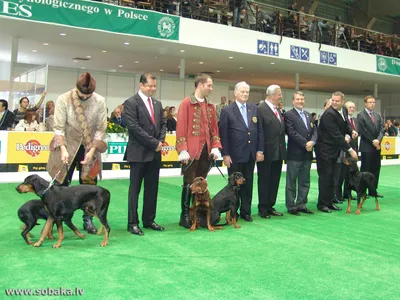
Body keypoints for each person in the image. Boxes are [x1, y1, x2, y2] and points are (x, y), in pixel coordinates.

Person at [47, 72, 108, 234]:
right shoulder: (63, 99)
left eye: (88, 95)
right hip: (67, 146)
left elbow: (101, 129)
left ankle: (87, 219)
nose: (85, 97)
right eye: (82, 94)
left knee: (89, 187)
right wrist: (63, 149)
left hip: (89, 148)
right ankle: (55, 219)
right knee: (60, 185)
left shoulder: (100, 101)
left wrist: (93, 150)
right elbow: (58, 128)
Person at [176, 73, 222, 228]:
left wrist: (216, 146)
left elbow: (214, 129)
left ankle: (199, 216)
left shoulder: (210, 106)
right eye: (209, 85)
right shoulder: (186, 103)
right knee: (189, 183)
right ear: (200, 85)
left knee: (201, 183)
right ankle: (184, 216)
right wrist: (183, 149)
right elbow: (181, 127)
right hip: (191, 151)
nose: (211, 88)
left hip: (206, 151)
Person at [124, 73, 167, 236]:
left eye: (154, 86)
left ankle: (149, 220)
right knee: (134, 190)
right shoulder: (130, 102)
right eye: (149, 86)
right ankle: (132, 222)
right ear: (141, 85)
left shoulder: (157, 103)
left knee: (152, 189)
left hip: (155, 154)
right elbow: (134, 128)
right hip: (138, 153)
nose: (152, 89)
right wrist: (154, 143)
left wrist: (160, 141)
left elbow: (163, 124)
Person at [219, 81, 264, 222]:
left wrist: (259, 150)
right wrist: (225, 154)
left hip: (250, 154)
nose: (245, 94)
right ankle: (233, 212)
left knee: (248, 183)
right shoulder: (227, 110)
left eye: (247, 92)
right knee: (233, 187)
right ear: (235, 93)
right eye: (242, 92)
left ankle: (246, 211)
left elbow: (260, 131)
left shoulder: (254, 108)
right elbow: (223, 134)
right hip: (234, 155)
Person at [315, 91, 358, 213]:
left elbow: (346, 124)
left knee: (333, 177)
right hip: (324, 150)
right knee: (325, 177)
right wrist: (350, 150)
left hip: (334, 150)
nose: (334, 102)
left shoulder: (343, 110)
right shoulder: (328, 114)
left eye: (337, 101)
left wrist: (351, 131)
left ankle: (329, 202)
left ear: (342, 101)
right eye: (332, 100)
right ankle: (322, 204)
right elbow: (336, 135)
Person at [285, 91, 317, 215]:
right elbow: (291, 133)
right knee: (291, 181)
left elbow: (315, 131)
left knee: (305, 181)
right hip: (295, 154)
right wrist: (306, 144)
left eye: (302, 99)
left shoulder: (308, 115)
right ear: (293, 101)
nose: (300, 101)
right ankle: (291, 206)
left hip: (307, 154)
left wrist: (313, 142)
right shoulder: (288, 115)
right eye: (297, 99)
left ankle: (302, 204)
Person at [257, 84, 286, 219]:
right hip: (266, 152)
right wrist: (260, 150)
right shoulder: (261, 109)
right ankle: (263, 207)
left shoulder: (278, 110)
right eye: (279, 94)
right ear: (272, 95)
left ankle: (270, 205)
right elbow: (259, 132)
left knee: (275, 180)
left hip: (278, 152)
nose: (281, 96)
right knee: (264, 180)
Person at [357, 95, 385, 198]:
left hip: (377, 147)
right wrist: (373, 140)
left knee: (376, 169)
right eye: (370, 102)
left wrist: (378, 140)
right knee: (365, 170)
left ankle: (373, 190)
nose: (372, 104)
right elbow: (363, 131)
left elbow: (382, 129)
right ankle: (362, 191)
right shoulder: (361, 115)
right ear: (365, 103)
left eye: (373, 102)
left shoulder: (378, 115)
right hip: (367, 147)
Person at [338, 101, 359, 200]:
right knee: (341, 174)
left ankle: (347, 193)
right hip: (343, 149)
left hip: (353, 149)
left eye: (353, 107)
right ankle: (338, 195)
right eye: (350, 107)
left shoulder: (356, 121)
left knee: (351, 173)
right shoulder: (342, 120)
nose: (352, 109)